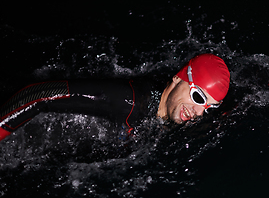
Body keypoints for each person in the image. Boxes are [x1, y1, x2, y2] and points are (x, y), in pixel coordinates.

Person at [0, 54, 230, 141]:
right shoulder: (126, 100)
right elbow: (38, 95)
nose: (199, 113)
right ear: (178, 78)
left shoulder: (176, 111)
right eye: (198, 98)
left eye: (210, 106)